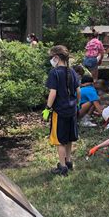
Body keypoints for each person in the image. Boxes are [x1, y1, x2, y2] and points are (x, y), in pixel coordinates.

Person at [42, 45, 81, 176]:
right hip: (71, 110)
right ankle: (69, 162)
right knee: (69, 138)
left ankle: (62, 167)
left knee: (59, 140)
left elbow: (53, 93)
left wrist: (48, 108)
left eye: (52, 57)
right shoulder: (72, 72)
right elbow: (78, 91)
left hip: (60, 111)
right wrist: (77, 104)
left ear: (56, 57)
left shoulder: (54, 73)